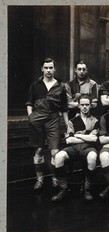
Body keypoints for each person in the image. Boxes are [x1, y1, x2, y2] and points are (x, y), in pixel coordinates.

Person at [26, 57, 69, 191]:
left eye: (51, 67)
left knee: (55, 151)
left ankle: (54, 178)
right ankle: (39, 179)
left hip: (53, 118)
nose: (49, 70)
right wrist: (31, 117)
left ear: (54, 69)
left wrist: (68, 124)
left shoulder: (61, 86)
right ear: (42, 69)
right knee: (38, 149)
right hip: (37, 118)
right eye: (46, 68)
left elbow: (64, 108)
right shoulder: (35, 85)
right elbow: (29, 103)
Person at [52, 94, 99, 202]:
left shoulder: (95, 120)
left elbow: (94, 139)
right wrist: (87, 136)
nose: (85, 107)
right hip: (74, 148)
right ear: (78, 106)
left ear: (90, 105)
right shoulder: (72, 121)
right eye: (82, 104)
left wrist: (77, 135)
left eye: (87, 104)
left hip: (88, 148)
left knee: (92, 157)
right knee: (59, 156)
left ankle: (87, 188)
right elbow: (69, 140)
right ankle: (63, 188)